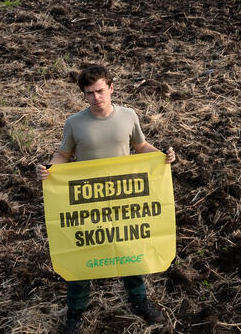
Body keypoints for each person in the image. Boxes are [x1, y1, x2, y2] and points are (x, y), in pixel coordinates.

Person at [36, 64, 177, 334]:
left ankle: (139, 302)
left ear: (111, 88)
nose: (95, 98)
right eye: (89, 93)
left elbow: (140, 146)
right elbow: (63, 155)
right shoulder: (75, 123)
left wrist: (163, 157)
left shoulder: (128, 116)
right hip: (89, 202)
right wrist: (48, 170)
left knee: (130, 252)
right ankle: (75, 313)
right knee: (82, 256)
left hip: (124, 200)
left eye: (100, 91)